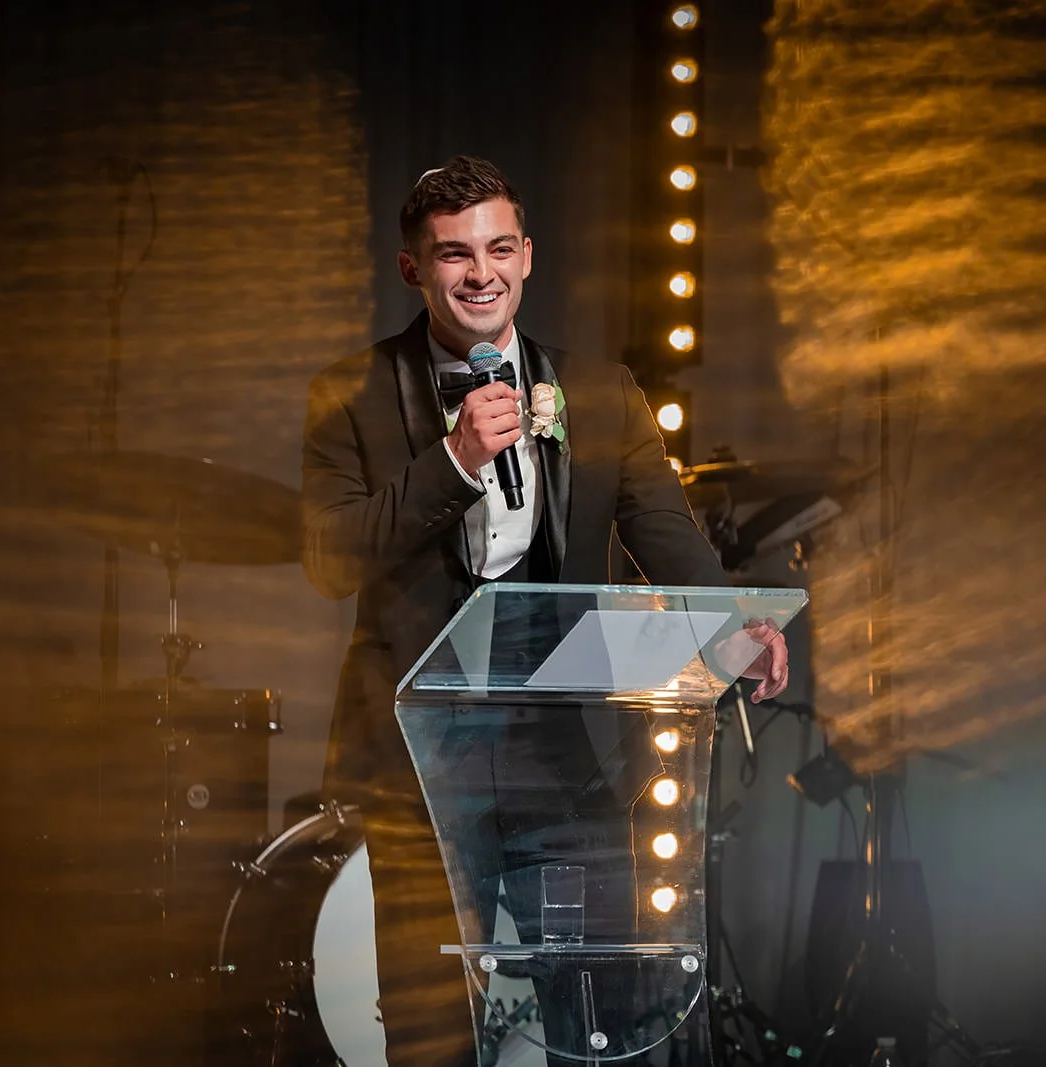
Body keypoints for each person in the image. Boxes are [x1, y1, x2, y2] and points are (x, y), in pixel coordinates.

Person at [301, 155, 788, 1066]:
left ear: (527, 256)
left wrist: (737, 624)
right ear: (414, 268)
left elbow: (666, 532)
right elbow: (330, 559)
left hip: (565, 751)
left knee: (607, 1018)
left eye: (496, 248)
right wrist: (451, 461)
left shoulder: (600, 392)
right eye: (453, 254)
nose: (478, 272)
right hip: (415, 762)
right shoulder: (351, 395)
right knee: (428, 1026)